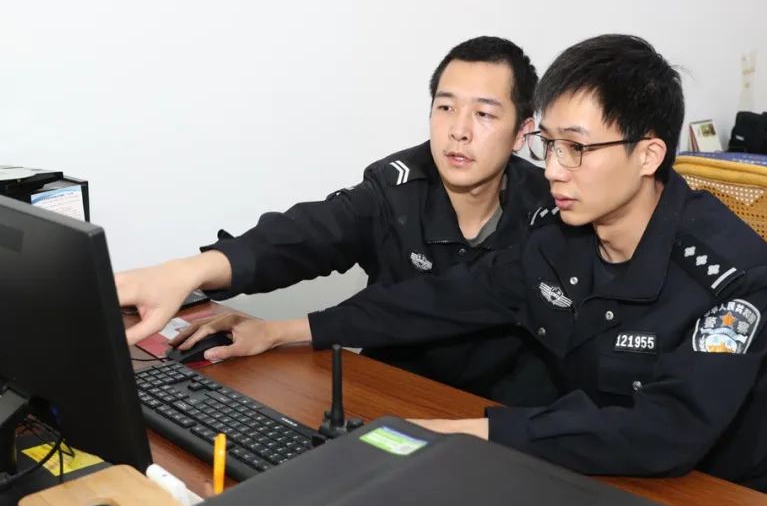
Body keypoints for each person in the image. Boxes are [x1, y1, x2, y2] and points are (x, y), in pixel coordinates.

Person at [191, 34, 767, 498]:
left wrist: (463, 433)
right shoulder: (562, 237)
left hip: (721, 501)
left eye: (577, 148)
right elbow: (444, 298)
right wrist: (282, 331)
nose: (553, 169)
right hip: (591, 472)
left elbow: (667, 430)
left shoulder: (730, 270)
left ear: (649, 154)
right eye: (549, 144)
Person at [116, 36, 555, 404]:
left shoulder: (554, 209)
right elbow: (306, 235)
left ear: (522, 132)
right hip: (387, 402)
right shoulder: (396, 184)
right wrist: (187, 272)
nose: (459, 130)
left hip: (506, 423)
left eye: (484, 114)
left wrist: (282, 330)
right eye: (445, 108)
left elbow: (442, 303)